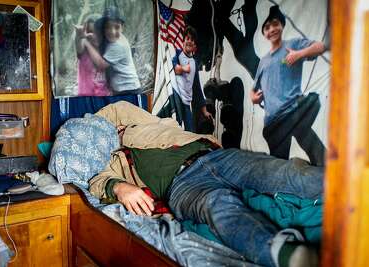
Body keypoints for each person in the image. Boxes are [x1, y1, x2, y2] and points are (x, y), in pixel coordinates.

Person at [90, 101, 323, 267]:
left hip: (214, 156)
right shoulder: (106, 161)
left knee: (282, 172)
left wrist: (115, 129)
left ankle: (351, 191)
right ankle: (289, 256)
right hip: (182, 185)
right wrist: (119, 187)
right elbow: (96, 182)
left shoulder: (135, 125)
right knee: (216, 205)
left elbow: (118, 111)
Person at [250, 5, 326, 166]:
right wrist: (254, 98)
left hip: (293, 113)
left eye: (275, 24)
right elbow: (253, 90)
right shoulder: (263, 61)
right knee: (278, 165)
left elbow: (320, 47)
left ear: (282, 25)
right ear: (264, 32)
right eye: (267, 27)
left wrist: (300, 54)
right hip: (273, 122)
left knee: (315, 149)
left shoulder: (294, 44)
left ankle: (330, 178)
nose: (272, 29)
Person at [157, 26, 212, 132]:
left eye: (192, 39)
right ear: (183, 41)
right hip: (176, 97)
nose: (189, 41)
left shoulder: (194, 63)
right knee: (175, 127)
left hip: (186, 102)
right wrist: (183, 68)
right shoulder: (177, 54)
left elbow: (197, 88)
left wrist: (205, 111)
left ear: (194, 45)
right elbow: (175, 69)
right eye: (187, 38)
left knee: (190, 130)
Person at [82, 6, 141, 94]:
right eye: (108, 27)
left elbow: (101, 64)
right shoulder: (114, 39)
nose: (112, 32)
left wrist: (87, 44)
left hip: (128, 90)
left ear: (122, 28)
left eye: (117, 27)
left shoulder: (118, 45)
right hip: (121, 89)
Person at [74, 17, 110, 96]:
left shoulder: (106, 49)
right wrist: (79, 36)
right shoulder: (84, 46)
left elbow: (103, 64)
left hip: (103, 94)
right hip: (86, 95)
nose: (93, 35)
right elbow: (79, 47)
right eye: (90, 31)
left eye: (97, 32)